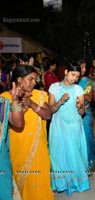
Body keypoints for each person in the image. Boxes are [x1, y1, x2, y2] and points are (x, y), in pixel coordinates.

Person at [1, 64, 53, 200]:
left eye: (35, 79)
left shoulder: (40, 95)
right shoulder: (5, 98)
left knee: (39, 183)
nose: (34, 82)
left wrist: (32, 104)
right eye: (30, 79)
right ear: (19, 80)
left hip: (38, 149)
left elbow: (48, 115)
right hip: (16, 147)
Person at [48, 63, 90, 196]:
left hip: (74, 126)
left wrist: (80, 107)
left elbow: (82, 113)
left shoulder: (78, 89)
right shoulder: (54, 87)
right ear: (66, 72)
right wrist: (60, 101)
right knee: (58, 154)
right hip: (58, 126)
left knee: (74, 154)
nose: (74, 79)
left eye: (77, 77)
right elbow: (50, 109)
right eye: (72, 75)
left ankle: (75, 182)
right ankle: (61, 183)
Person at [0, 82, 25, 200]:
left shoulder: (2, 103)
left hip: (1, 158)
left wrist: (15, 100)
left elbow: (18, 123)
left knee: (4, 191)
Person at [78, 59, 95, 170]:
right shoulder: (70, 81)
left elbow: (89, 98)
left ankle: (90, 161)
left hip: (85, 113)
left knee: (87, 137)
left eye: (85, 67)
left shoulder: (88, 82)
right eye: (81, 67)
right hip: (72, 114)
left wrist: (77, 92)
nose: (84, 70)